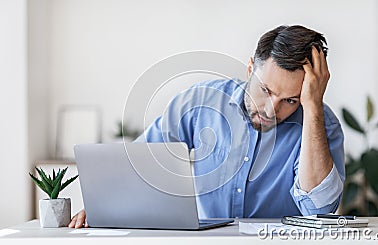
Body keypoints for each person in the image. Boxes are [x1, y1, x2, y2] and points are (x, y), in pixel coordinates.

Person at [69, 25, 344, 228]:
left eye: (290, 100)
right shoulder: (201, 101)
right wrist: (105, 207)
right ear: (250, 70)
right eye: (266, 90)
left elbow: (319, 210)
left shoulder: (321, 124)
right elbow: (143, 165)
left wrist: (312, 108)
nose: (272, 109)